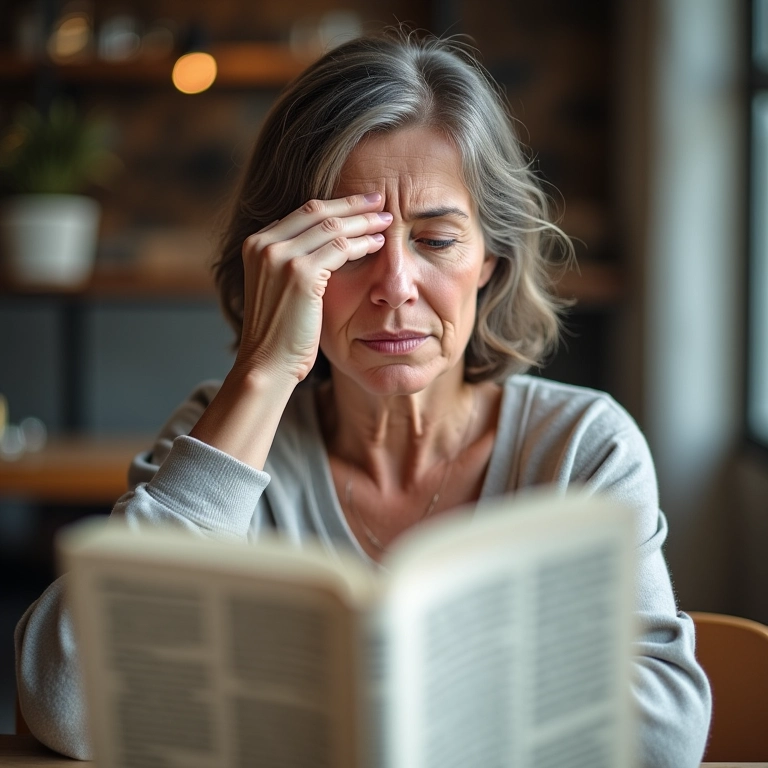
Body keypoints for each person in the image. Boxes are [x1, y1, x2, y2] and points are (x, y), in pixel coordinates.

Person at [15, 30, 710, 765]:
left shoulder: (581, 449)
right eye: (348, 242)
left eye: (436, 240)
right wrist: (260, 374)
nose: (395, 287)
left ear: (490, 261)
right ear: (283, 263)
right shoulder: (224, 432)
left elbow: (665, 736)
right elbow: (68, 702)